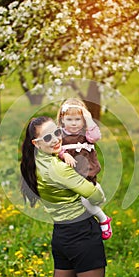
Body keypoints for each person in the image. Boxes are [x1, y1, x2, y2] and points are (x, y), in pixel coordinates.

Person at [20, 116, 107, 277]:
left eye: (57, 132)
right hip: (82, 234)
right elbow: (96, 197)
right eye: (47, 137)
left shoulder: (36, 164)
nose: (56, 139)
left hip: (62, 236)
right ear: (36, 143)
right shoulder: (58, 169)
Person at [57, 98, 112, 240]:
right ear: (62, 119)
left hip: (89, 173)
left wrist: (89, 119)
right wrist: (64, 155)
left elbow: (96, 137)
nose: (74, 123)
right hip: (73, 177)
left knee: (96, 197)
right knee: (84, 201)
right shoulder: (59, 134)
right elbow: (53, 148)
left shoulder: (87, 133)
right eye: (69, 119)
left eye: (78, 119)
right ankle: (103, 219)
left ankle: (96, 193)